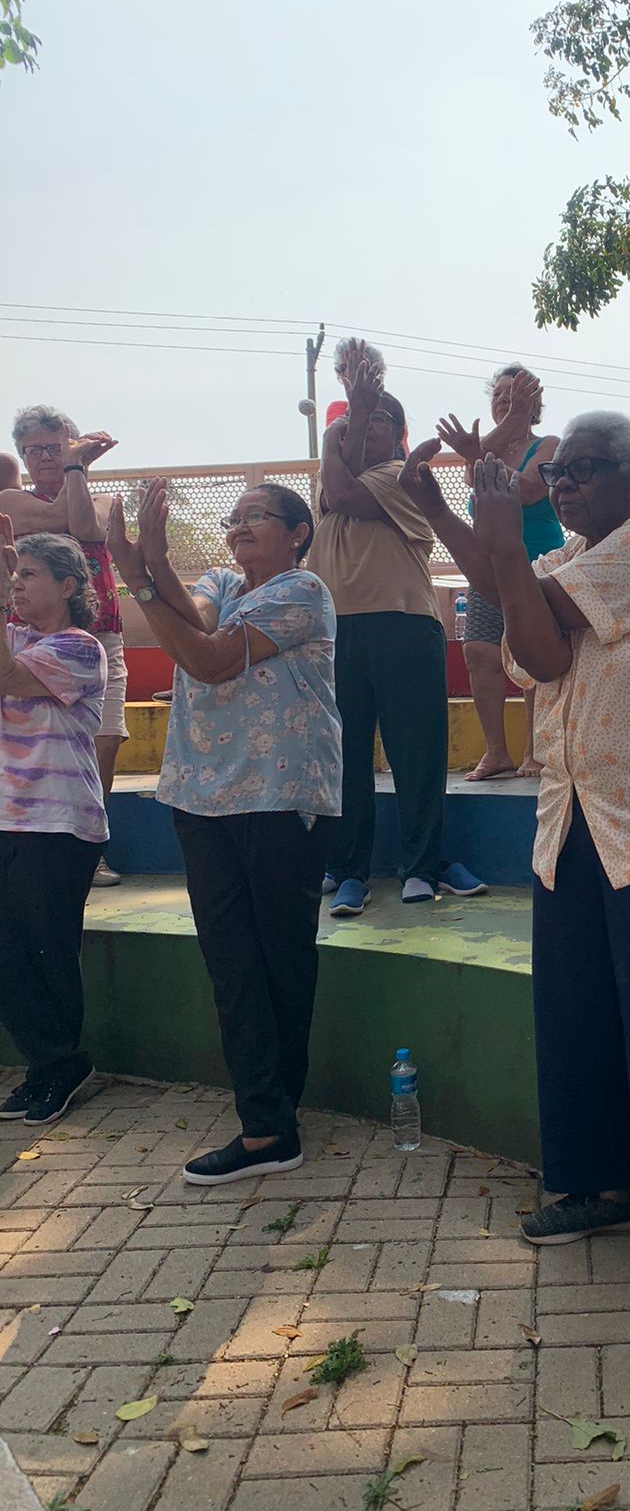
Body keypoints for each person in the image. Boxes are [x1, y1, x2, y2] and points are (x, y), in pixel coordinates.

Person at [398, 412, 630, 1300]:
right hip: (574, 818)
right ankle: (596, 1189)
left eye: (582, 471)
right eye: (556, 478)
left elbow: (544, 649)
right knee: (575, 1008)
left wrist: (503, 530)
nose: (565, 487)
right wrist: (445, 512)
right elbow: (505, 590)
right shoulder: (561, 562)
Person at [106, 477, 341, 1183]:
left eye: (256, 517)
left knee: (277, 959)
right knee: (232, 964)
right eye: (233, 518)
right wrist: (143, 568)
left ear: (298, 532)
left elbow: (208, 659)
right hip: (202, 795)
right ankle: (267, 1123)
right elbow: (196, 616)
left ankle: (273, 1119)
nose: (238, 528)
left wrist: (141, 579)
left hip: (280, 795)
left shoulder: (304, 592)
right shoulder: (219, 579)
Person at [305, 338, 485, 915]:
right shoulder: (331, 470)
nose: (370, 427)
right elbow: (333, 483)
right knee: (345, 753)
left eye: (383, 419)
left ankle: (422, 865)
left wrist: (351, 418)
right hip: (337, 631)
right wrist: (349, 418)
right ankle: (348, 867)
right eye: (364, 420)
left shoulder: (403, 477)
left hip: (404, 626)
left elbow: (343, 491)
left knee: (417, 753)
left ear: (400, 436)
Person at [0, 526, 107, 1127]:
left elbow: (8, 679)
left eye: (28, 574)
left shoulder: (77, 647)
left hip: (58, 821)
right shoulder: (11, 634)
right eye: (12, 575)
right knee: (8, 953)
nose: (16, 585)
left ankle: (63, 1063)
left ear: (69, 585)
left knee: (46, 947)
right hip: (6, 816)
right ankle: (46, 1065)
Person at [5, 406, 127, 886]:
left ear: (73, 448)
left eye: (54, 448)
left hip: (98, 636)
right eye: (31, 450)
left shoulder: (103, 500)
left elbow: (85, 527)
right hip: (33, 640)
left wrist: (76, 470)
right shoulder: (12, 499)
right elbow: (64, 518)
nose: (42, 458)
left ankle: (88, 846)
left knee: (106, 738)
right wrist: (76, 467)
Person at [438, 364, 563, 780]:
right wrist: (483, 446)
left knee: (532, 652)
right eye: (499, 396)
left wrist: (493, 438)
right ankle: (496, 752)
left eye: (516, 396)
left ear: (535, 405)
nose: (505, 403)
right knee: (479, 650)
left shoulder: (549, 444)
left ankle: (534, 750)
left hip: (536, 560)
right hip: (487, 564)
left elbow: (527, 490)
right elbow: (479, 467)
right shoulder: (483, 450)